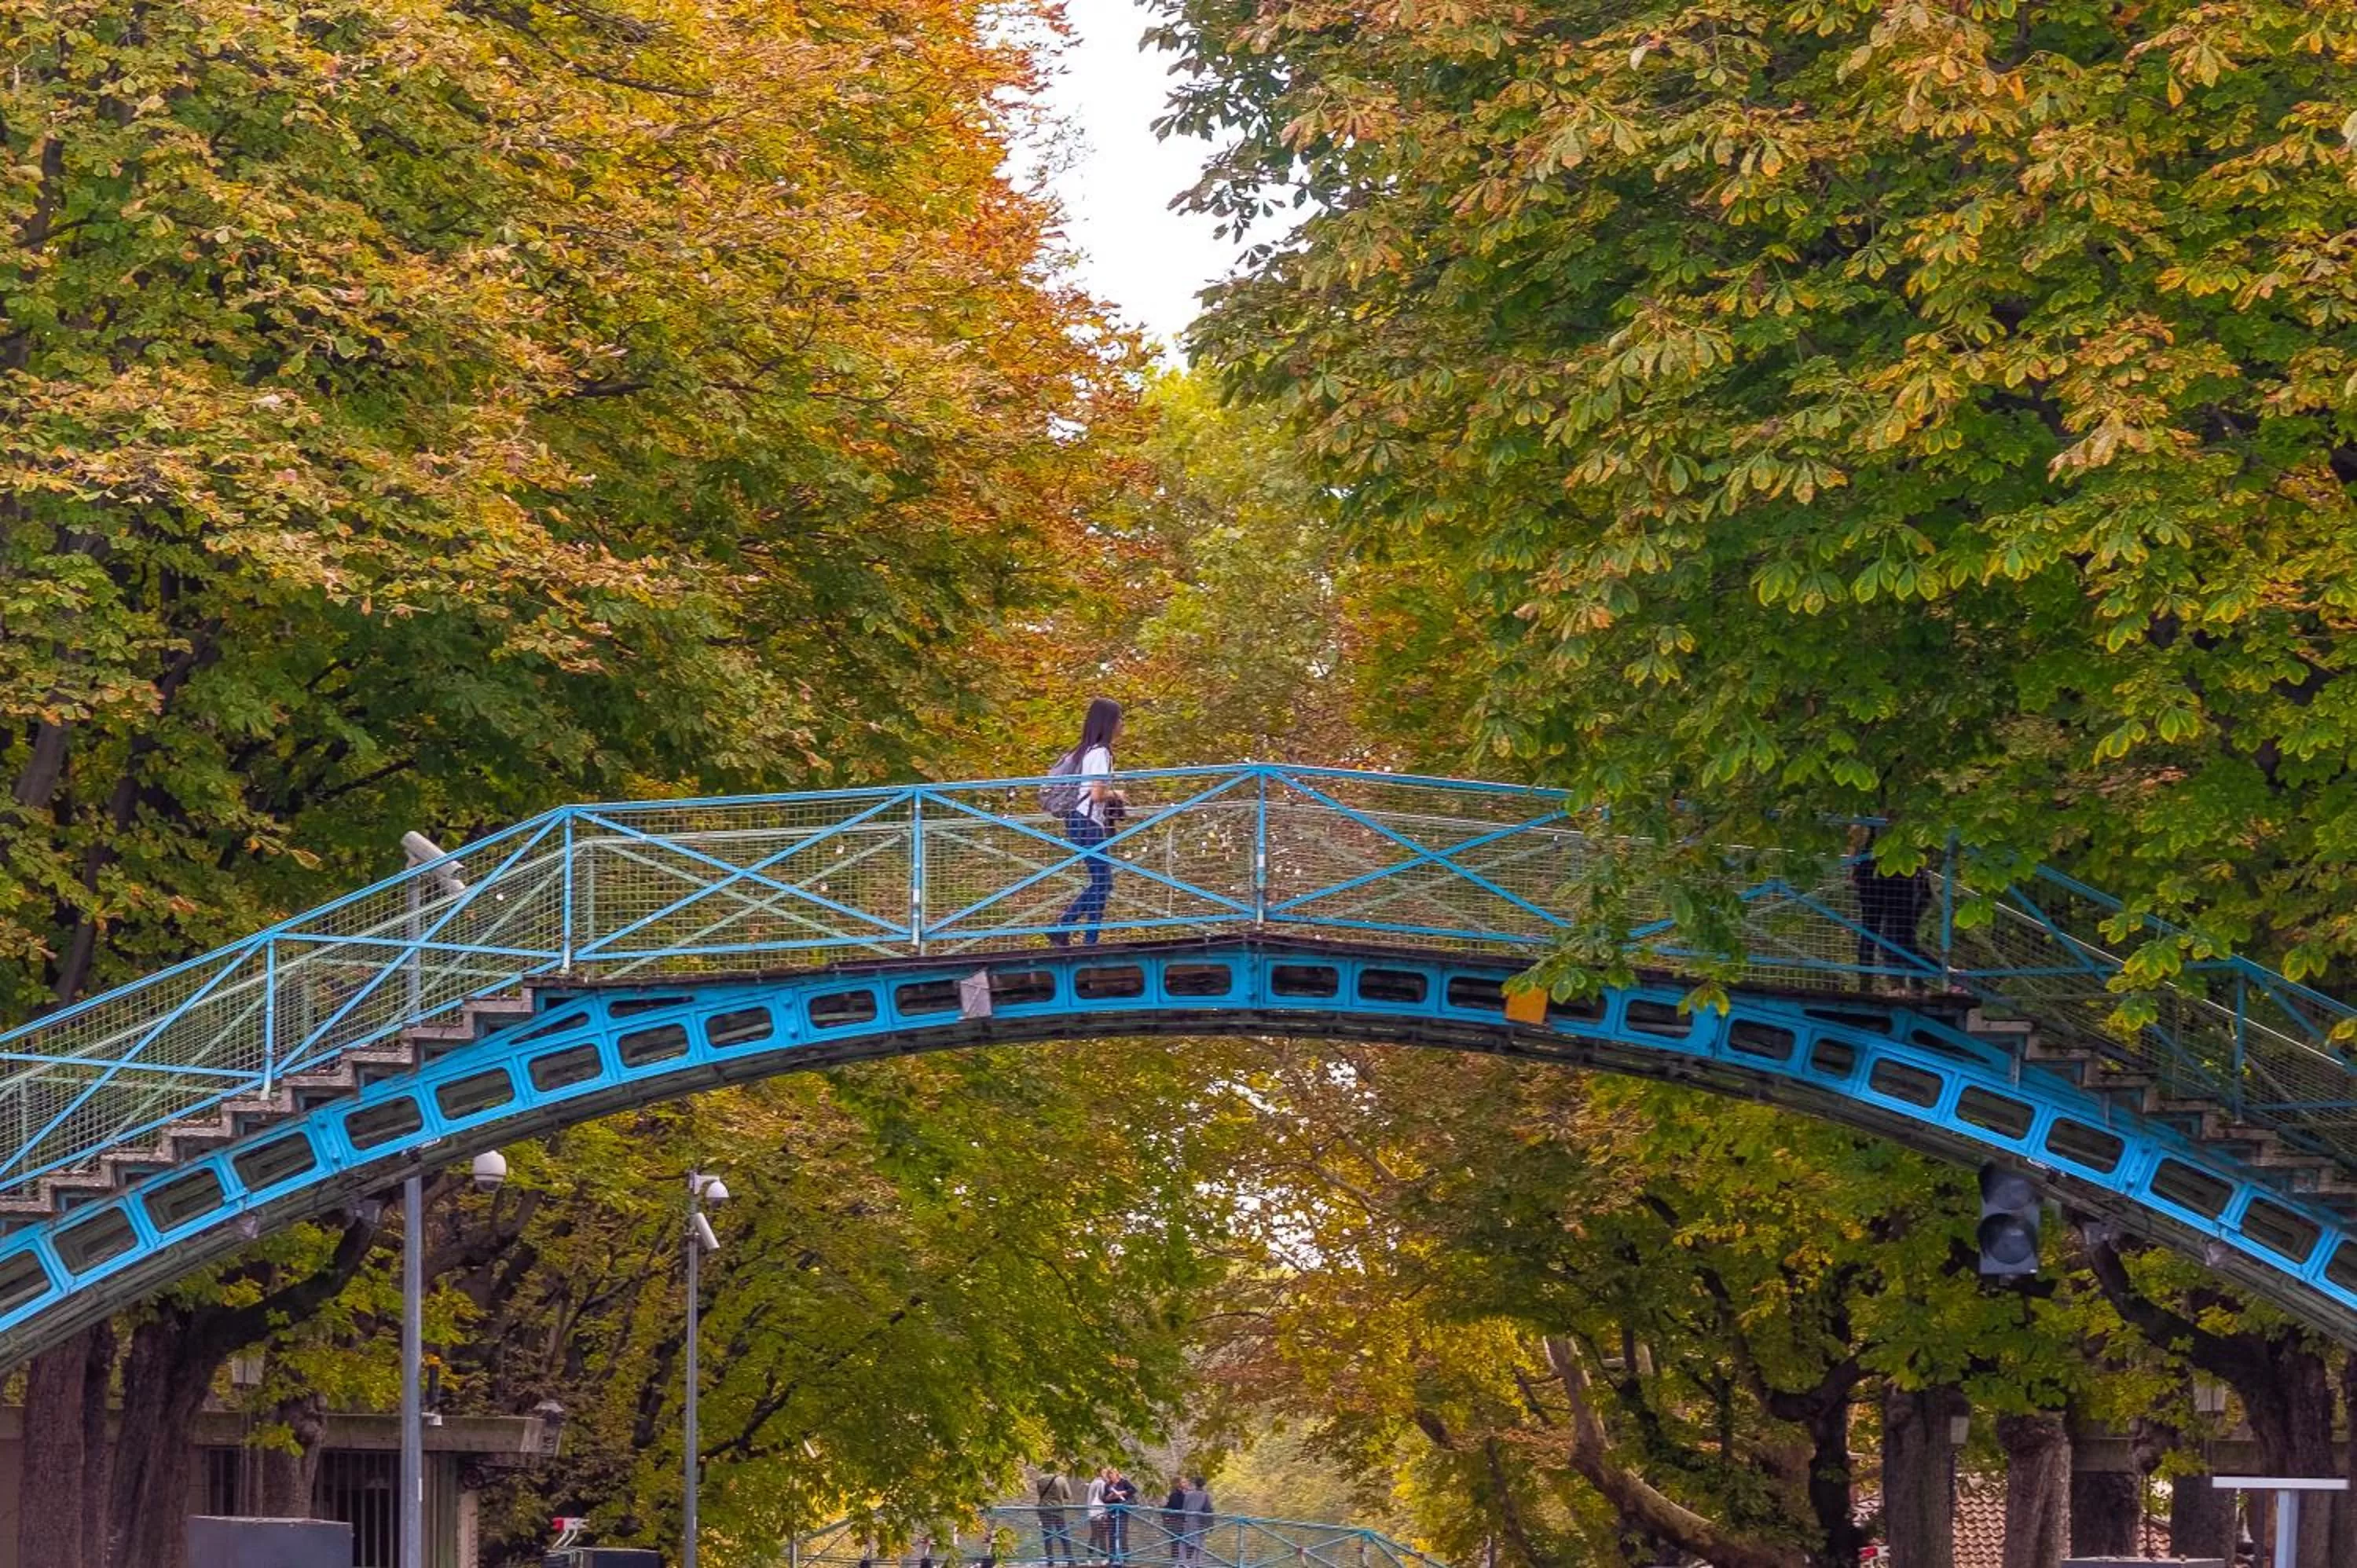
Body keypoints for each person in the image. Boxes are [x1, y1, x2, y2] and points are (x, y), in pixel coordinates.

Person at [1048, 698, 1126, 947]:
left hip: (1078, 821)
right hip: (1088, 822)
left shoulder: (1085, 751)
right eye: (1120, 718)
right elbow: (1097, 794)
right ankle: (1064, 927)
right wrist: (1118, 794)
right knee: (1103, 883)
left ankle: (1088, 938)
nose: (1122, 724)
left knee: (1100, 882)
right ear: (1109, 722)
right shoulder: (1101, 753)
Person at [1849, 827, 1932, 989]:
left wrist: (1854, 866)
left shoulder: (1872, 825)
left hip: (1884, 874)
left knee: (1889, 933)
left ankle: (1902, 982)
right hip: (1890, 875)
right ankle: (1876, 982)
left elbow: (1856, 837)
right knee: (1894, 933)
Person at [1037, 1467, 1077, 1568]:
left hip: (1044, 1510)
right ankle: (1070, 1560)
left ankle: (1050, 1561)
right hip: (1057, 1510)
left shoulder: (1040, 1480)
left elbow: (1040, 1495)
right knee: (1064, 1534)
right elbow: (1068, 1495)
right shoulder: (1061, 1480)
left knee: (1047, 1536)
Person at [1105, 1467, 1139, 1563]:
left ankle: (1125, 1558)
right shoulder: (1108, 1485)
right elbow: (1104, 1498)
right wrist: (1110, 1497)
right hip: (1112, 1511)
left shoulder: (1124, 1482)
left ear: (1117, 1474)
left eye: (1113, 1474)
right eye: (1109, 1474)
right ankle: (1112, 1559)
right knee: (1112, 1535)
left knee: (1122, 1534)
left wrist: (1122, 1493)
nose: (1111, 1476)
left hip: (1122, 1511)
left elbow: (1133, 1490)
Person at [1180, 1476, 1211, 1565]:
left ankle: (1182, 1562)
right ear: (1204, 1485)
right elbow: (1208, 1510)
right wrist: (1210, 1525)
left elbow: (1184, 1508)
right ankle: (1198, 1563)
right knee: (1200, 1543)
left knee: (1184, 1541)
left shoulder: (1188, 1494)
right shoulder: (1206, 1496)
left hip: (1188, 1520)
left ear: (1195, 1484)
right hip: (1199, 1522)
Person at [1086, 1467, 1113, 1561]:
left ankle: (1089, 1557)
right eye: (1104, 1472)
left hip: (1092, 1511)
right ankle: (1104, 1558)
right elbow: (1103, 1498)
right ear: (1100, 1473)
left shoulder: (1093, 1482)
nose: (1107, 1475)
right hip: (1100, 1512)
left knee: (1094, 1534)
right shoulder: (1101, 1483)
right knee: (1102, 1535)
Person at [1160, 1479, 1188, 1563]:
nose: (1186, 1484)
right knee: (1178, 1540)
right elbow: (1173, 1506)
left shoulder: (1182, 1494)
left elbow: (1168, 1506)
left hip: (1179, 1521)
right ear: (1179, 1484)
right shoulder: (1176, 1495)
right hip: (1178, 1521)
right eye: (1184, 1482)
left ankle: (1178, 1561)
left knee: (1177, 1541)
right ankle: (1178, 1561)